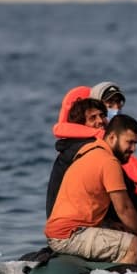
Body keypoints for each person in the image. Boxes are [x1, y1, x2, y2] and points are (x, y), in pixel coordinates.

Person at [45, 114, 137, 265]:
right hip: (69, 235)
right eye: (130, 142)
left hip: (68, 230)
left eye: (136, 143)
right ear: (113, 137)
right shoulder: (109, 162)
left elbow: (133, 206)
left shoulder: (91, 150)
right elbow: (125, 209)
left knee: (124, 229)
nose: (133, 149)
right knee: (132, 245)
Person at [46, 90, 107, 218]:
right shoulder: (83, 150)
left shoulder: (74, 146)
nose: (100, 121)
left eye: (102, 115)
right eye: (93, 118)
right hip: (70, 226)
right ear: (81, 125)